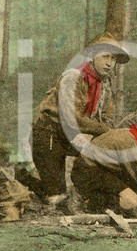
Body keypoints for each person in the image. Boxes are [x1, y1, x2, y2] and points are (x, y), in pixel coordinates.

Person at [31, 33, 128, 204]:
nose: (109, 63)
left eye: (113, 58)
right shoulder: (73, 77)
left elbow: (105, 117)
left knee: (104, 156)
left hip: (72, 136)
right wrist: (105, 131)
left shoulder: (103, 84)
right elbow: (72, 119)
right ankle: (19, 176)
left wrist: (111, 136)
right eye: (105, 56)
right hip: (49, 134)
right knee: (55, 198)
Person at [69, 127, 137, 224]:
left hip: (101, 168)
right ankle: (81, 196)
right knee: (132, 201)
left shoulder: (134, 134)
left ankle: (98, 202)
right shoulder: (133, 146)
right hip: (86, 171)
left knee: (132, 189)